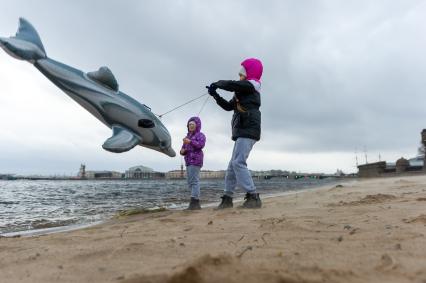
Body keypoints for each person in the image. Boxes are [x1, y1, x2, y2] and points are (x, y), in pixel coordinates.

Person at [207, 58, 263, 209]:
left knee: (238, 162)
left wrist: (218, 83)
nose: (240, 76)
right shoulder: (242, 91)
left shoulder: (251, 86)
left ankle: (253, 196)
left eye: (242, 74)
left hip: (248, 128)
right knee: (232, 165)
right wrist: (215, 95)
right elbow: (228, 106)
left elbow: (232, 85)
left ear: (249, 73)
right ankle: (227, 198)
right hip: (242, 130)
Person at [180, 116, 206, 210]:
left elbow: (200, 145)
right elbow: (183, 149)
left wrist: (190, 141)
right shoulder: (187, 137)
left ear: (197, 125)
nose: (190, 126)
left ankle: (195, 202)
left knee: (194, 181)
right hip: (188, 161)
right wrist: (182, 151)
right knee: (190, 182)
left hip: (196, 160)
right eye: (189, 124)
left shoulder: (201, 135)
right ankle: (195, 202)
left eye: (192, 124)